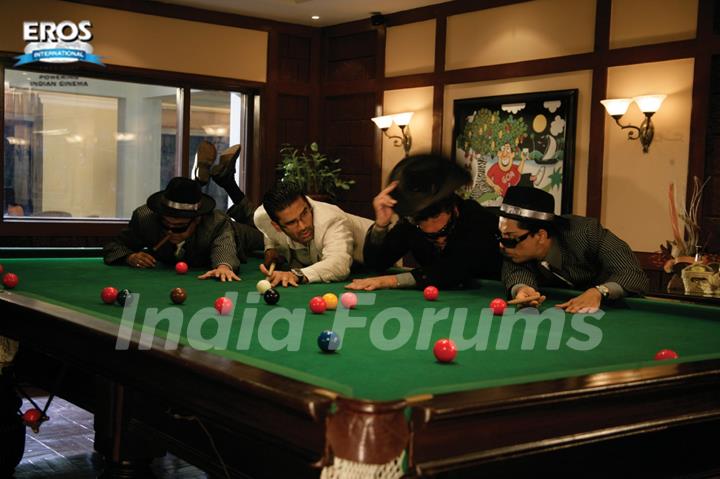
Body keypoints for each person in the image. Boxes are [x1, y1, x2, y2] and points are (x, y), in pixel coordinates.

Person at [346, 154, 502, 291]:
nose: (429, 228)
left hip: (490, 296)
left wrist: (391, 281)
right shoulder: (410, 223)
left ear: (451, 207)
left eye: (435, 218)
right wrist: (381, 224)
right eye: (419, 221)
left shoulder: (476, 218)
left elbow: (455, 270)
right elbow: (376, 265)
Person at [497, 185, 649, 313]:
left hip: (615, 312)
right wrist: (522, 289)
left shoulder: (587, 233)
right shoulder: (516, 252)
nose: (502, 245)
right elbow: (516, 272)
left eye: (510, 238)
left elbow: (633, 273)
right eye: (501, 236)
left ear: (541, 236)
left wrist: (599, 292)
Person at [103, 176, 263, 281]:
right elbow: (114, 247)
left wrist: (223, 267)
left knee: (265, 231)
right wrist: (129, 257)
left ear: (197, 219)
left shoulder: (216, 223)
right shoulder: (145, 218)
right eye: (165, 224)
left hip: (241, 236)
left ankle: (229, 183)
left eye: (179, 227)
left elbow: (224, 250)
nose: (170, 231)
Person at [253, 181, 373, 287]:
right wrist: (270, 248)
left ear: (309, 205)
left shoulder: (331, 220)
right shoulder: (262, 219)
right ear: (276, 226)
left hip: (386, 255)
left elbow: (339, 264)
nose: (303, 226)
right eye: (292, 222)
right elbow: (268, 231)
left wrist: (296, 275)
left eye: (304, 213)